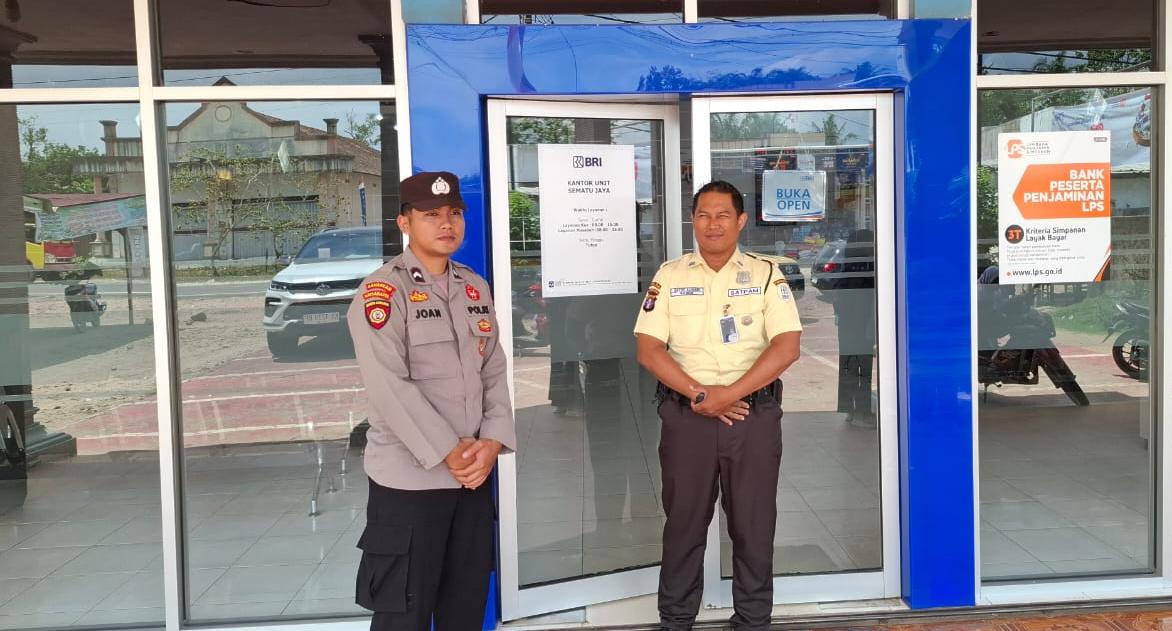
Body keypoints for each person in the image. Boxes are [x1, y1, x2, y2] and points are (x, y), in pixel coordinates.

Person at [347, 171, 516, 631]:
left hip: (471, 480)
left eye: (455, 213)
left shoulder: (474, 287)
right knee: (404, 615)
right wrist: (450, 451)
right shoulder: (384, 292)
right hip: (409, 484)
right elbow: (388, 385)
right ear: (404, 223)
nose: (447, 223)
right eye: (431, 214)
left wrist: (493, 441)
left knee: (465, 609)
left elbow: (493, 371)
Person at [634, 180, 802, 631]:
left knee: (753, 525)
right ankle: (675, 620)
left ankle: (752, 620)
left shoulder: (766, 274)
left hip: (752, 418)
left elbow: (787, 346)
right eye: (704, 215)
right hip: (687, 419)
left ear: (740, 221)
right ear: (692, 221)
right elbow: (649, 350)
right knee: (684, 524)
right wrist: (700, 395)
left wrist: (730, 394)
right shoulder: (670, 275)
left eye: (723, 215)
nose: (713, 224)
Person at [832, 228, 876, 426]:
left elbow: (837, 297)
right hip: (863, 323)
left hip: (848, 324)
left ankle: (849, 409)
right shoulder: (870, 267)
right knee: (863, 369)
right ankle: (863, 412)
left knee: (848, 366)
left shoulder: (846, 266)